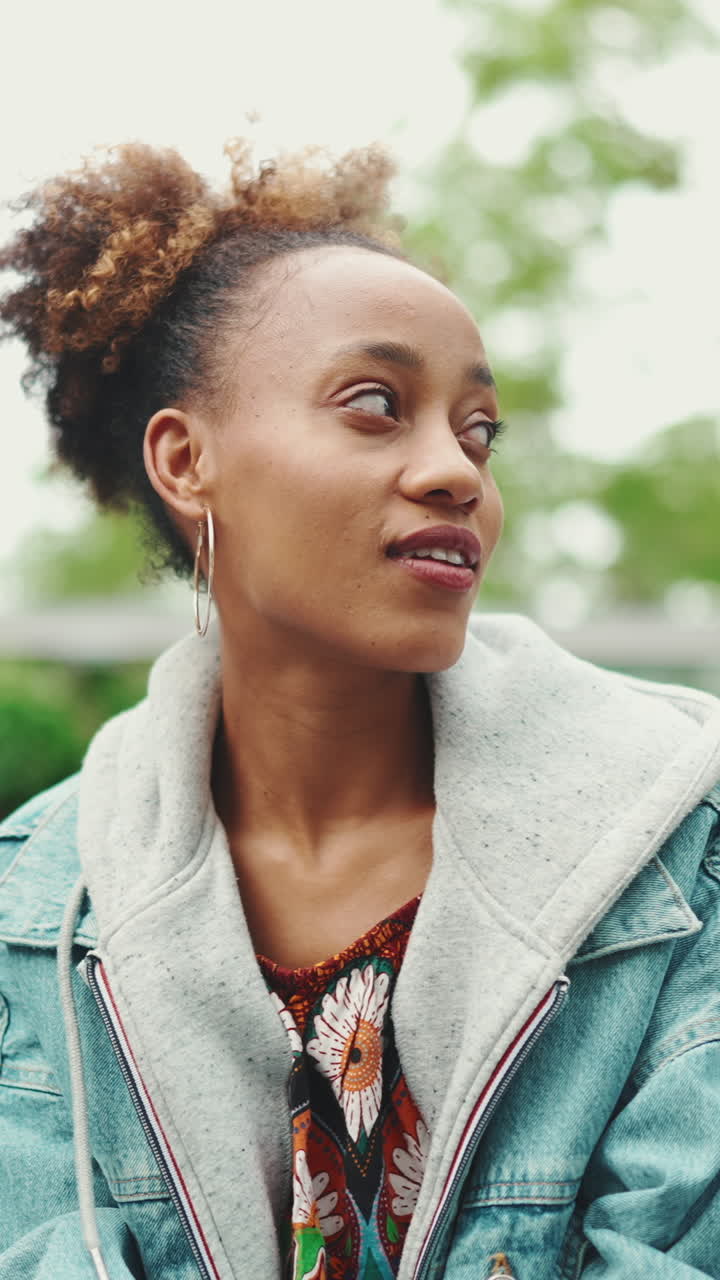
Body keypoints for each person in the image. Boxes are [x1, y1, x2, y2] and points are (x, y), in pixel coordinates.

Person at [0, 139, 719, 1280]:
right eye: (377, 404)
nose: (459, 474)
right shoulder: (32, 913)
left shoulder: (683, 857)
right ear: (188, 461)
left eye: (479, 430)